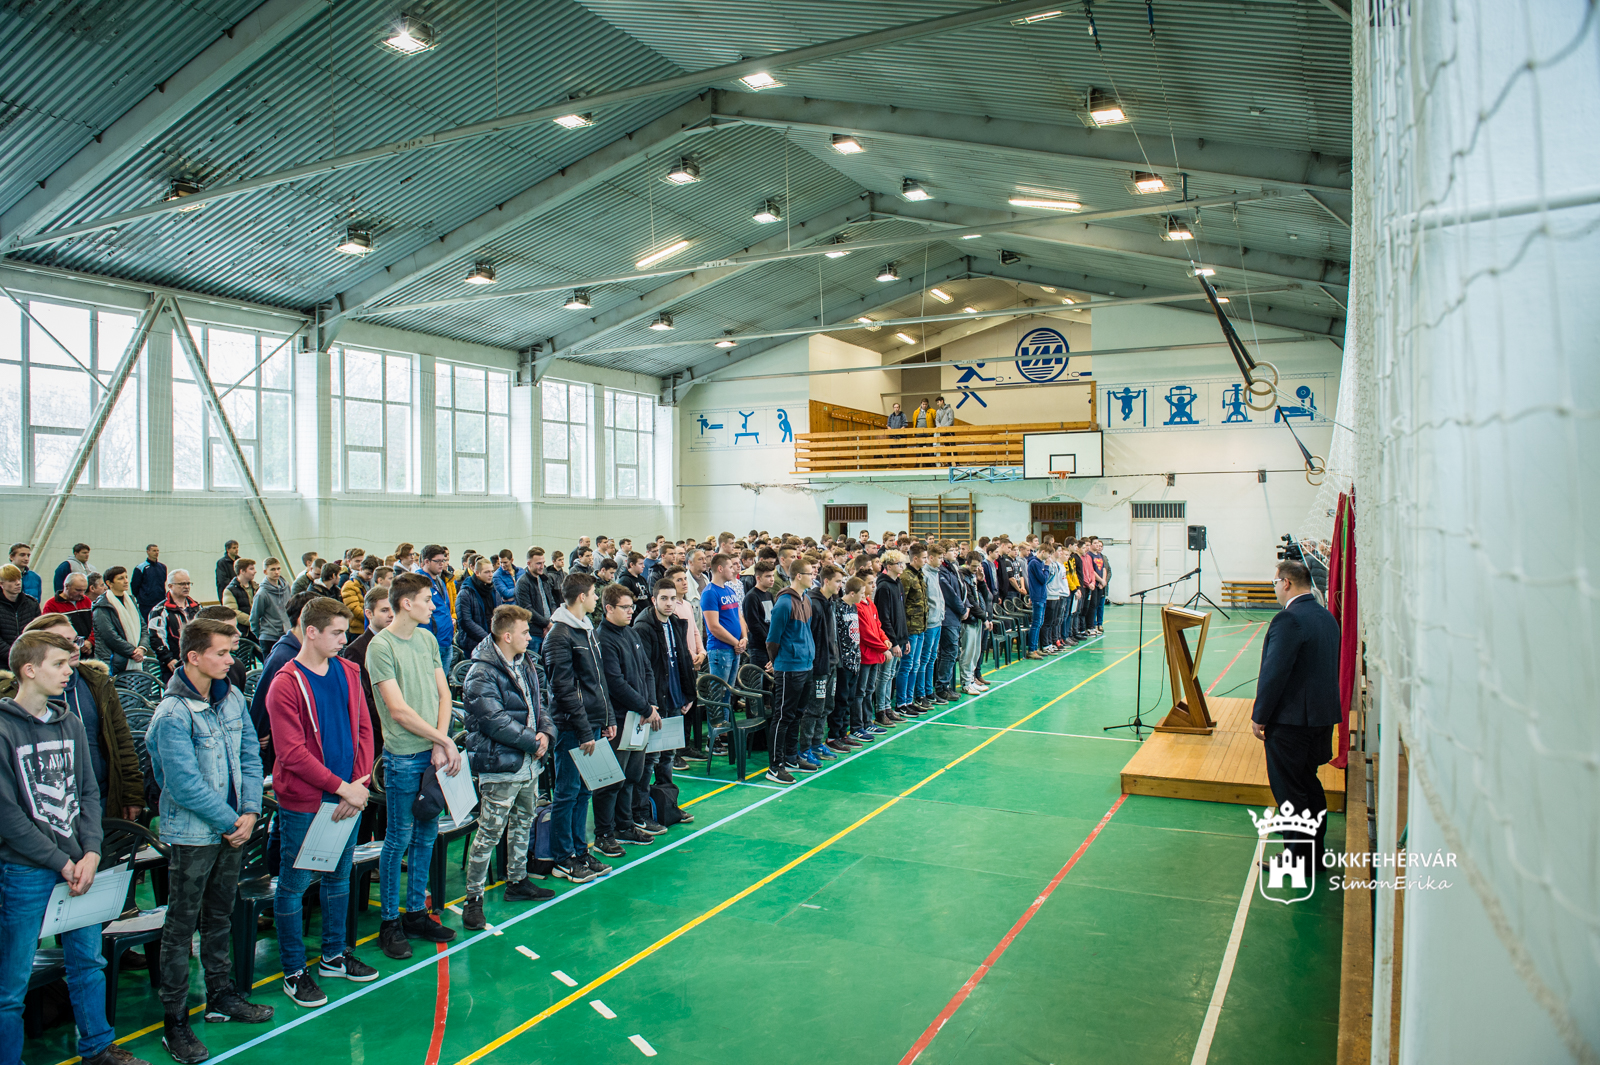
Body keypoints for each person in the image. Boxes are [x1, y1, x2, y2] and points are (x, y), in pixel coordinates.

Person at [0, 631, 150, 1065]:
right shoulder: (4, 729)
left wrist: (91, 852)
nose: (70, 671)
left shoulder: (69, 722)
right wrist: (61, 861)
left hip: (79, 864)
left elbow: (87, 793)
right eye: (59, 664)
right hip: (26, 870)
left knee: (88, 962)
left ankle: (98, 1047)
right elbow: (8, 815)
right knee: (11, 985)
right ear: (29, 669)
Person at [146, 618, 273, 1061]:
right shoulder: (172, 715)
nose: (230, 660)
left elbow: (251, 756)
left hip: (234, 829)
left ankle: (221, 995)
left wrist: (251, 811)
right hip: (195, 834)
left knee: (220, 915)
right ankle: (176, 1021)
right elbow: (183, 785)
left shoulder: (232, 697)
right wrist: (232, 820)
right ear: (193, 657)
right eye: (221, 653)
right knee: (181, 926)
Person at [263, 597, 379, 1007]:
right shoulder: (285, 683)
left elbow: (364, 729)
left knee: (338, 876)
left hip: (348, 794)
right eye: (336, 633)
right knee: (294, 885)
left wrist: (358, 784)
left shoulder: (348, 670)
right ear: (310, 632)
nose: (344, 640)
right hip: (306, 802)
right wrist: (341, 788)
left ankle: (334, 955)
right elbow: (292, 753)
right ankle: (295, 971)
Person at [367, 573, 461, 959]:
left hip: (432, 753)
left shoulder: (426, 639)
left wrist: (440, 742)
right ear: (407, 603)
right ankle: (390, 921)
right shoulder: (381, 646)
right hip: (404, 757)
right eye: (427, 599)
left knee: (426, 836)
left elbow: (444, 694)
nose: (434, 606)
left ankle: (416, 913)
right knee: (399, 839)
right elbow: (398, 710)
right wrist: (444, 740)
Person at [460, 605, 556, 929]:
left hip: (528, 762)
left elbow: (540, 704)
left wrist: (546, 733)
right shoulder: (481, 673)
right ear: (506, 636)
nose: (530, 637)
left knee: (523, 822)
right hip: (501, 763)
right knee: (489, 832)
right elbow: (494, 721)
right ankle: (473, 899)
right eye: (525, 632)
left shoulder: (525, 662)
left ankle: (518, 880)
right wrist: (533, 741)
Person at [1251, 559, 1342, 873]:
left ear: (1286, 583)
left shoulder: (1288, 619)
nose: (1275, 589)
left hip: (1292, 721)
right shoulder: (1326, 616)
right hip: (1321, 718)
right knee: (1308, 785)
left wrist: (1260, 715)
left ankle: (1297, 860)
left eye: (1275, 583)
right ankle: (1313, 855)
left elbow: (1275, 673)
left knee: (1290, 792)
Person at [8, 613, 145, 822]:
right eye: (62, 642)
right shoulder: (12, 699)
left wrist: (131, 793)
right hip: (42, 808)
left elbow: (122, 741)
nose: (74, 648)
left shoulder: (98, 684)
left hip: (98, 797)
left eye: (75, 640)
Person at [543, 573, 615, 883]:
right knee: (567, 792)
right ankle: (563, 858)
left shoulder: (586, 629)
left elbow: (598, 680)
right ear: (581, 597)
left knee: (585, 790)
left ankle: (579, 849)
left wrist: (608, 718)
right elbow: (563, 690)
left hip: (593, 723)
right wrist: (584, 729)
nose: (597, 598)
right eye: (594, 593)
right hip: (573, 727)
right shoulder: (559, 635)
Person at [594, 586, 659, 857]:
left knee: (632, 775)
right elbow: (615, 683)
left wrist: (651, 704)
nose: (631, 611)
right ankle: (604, 833)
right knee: (611, 781)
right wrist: (644, 707)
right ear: (609, 608)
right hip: (619, 720)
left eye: (632, 606)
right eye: (625, 607)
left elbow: (647, 670)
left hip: (639, 718)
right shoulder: (603, 638)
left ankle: (624, 825)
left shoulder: (631, 633)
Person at [633, 579, 694, 814]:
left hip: (675, 699)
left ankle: (667, 807)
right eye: (664, 598)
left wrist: (688, 693)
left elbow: (684, 659)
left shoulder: (675, 623)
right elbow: (644, 671)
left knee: (668, 755)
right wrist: (650, 704)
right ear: (653, 600)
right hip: (657, 703)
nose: (669, 603)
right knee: (650, 758)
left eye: (672, 599)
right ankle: (642, 810)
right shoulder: (643, 627)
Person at [764, 559, 816, 783]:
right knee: (783, 717)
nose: (813, 577)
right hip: (789, 668)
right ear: (798, 576)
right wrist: (778, 661)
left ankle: (792, 757)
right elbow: (772, 639)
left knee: (798, 714)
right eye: (809, 573)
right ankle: (775, 767)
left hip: (806, 665)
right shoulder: (784, 603)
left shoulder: (806, 599)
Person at [800, 564, 843, 766]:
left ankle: (817, 742)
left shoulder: (830, 602)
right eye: (837, 581)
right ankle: (805, 747)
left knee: (827, 705)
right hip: (818, 666)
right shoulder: (814, 604)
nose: (840, 585)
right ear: (826, 581)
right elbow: (810, 636)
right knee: (814, 708)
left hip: (831, 663)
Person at [873, 551, 908, 727]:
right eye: (898, 563)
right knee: (884, 675)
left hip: (899, 638)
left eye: (902, 563)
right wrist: (893, 642)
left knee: (891, 674)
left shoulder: (898, 583)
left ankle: (887, 707)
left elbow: (901, 613)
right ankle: (880, 710)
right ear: (889, 566)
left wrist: (904, 639)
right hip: (889, 640)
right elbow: (884, 618)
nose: (902, 566)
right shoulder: (884, 587)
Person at [92, 565, 147, 675]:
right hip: (113, 661)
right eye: (120, 578)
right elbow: (110, 636)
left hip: (136, 657)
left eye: (126, 577)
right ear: (109, 583)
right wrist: (133, 652)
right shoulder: (102, 606)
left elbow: (143, 628)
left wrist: (142, 648)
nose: (126, 581)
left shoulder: (131, 601)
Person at [700, 553, 745, 687]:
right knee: (719, 693)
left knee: (729, 692)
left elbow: (739, 617)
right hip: (720, 649)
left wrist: (744, 638)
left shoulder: (730, 590)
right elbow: (714, 626)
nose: (733, 570)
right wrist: (736, 643)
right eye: (730, 567)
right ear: (720, 568)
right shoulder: (710, 592)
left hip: (735, 648)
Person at [148, 570, 201, 679]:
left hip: (197, 662)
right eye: (182, 584)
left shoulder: (197, 607)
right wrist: (168, 659)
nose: (186, 587)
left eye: (188, 583)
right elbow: (156, 638)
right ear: (170, 586)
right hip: (173, 664)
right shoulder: (159, 611)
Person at [897, 545, 928, 715]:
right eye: (924, 557)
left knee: (915, 665)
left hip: (920, 626)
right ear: (915, 558)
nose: (926, 560)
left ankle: (909, 700)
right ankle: (901, 702)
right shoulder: (906, 577)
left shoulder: (919, 574)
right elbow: (902, 605)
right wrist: (904, 633)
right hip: (910, 628)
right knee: (907, 665)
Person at [416, 545, 456, 672]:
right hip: (431, 642)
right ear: (426, 561)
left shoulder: (440, 581)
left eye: (443, 560)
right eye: (437, 561)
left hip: (446, 640)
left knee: (443, 680)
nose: (441, 564)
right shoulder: (418, 582)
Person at [958, 552, 992, 695]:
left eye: (978, 566)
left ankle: (971, 680)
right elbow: (971, 601)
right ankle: (966, 683)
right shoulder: (962, 577)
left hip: (977, 620)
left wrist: (981, 581)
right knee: (968, 653)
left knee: (975, 653)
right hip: (969, 621)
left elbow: (986, 596)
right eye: (973, 566)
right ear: (967, 563)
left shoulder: (974, 576)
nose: (975, 569)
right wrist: (984, 618)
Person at [454, 555, 498, 662]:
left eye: (492, 571)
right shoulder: (465, 593)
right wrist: (487, 638)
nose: (491, 575)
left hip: (491, 641)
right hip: (472, 644)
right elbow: (466, 622)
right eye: (487, 572)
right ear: (477, 573)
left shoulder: (493, 590)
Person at [0, 564, 41, 665]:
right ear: (1, 584)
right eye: (12, 581)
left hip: (30, 658)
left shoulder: (32, 603)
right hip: (4, 662)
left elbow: (39, 631)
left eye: (19, 579)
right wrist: (16, 655)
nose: (18, 583)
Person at [740, 559, 777, 671]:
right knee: (760, 679)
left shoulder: (769, 595)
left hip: (769, 645)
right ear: (758, 578)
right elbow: (753, 625)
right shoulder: (752, 597)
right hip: (758, 648)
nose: (772, 579)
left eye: (772, 575)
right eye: (768, 576)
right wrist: (769, 641)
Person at [250, 558, 291, 657]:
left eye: (278, 569)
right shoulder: (262, 594)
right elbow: (254, 617)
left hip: (286, 634)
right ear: (265, 572)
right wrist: (261, 635)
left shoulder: (286, 587)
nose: (276, 572)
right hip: (269, 638)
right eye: (272, 569)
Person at [339, 556, 377, 636]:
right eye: (367, 574)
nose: (370, 577)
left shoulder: (374, 585)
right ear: (360, 568)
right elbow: (354, 609)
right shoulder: (350, 585)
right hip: (357, 631)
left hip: (371, 627)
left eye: (372, 574)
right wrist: (373, 618)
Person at [221, 558, 257, 638]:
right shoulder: (230, 590)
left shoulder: (257, 587)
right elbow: (232, 611)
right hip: (245, 633)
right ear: (242, 571)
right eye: (251, 569)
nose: (255, 571)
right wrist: (253, 621)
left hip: (259, 630)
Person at [131, 544, 167, 620]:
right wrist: (142, 597)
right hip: (146, 604)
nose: (156, 553)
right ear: (148, 552)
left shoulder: (163, 567)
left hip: (159, 601)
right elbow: (135, 585)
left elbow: (163, 582)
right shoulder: (140, 568)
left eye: (157, 551)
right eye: (154, 551)